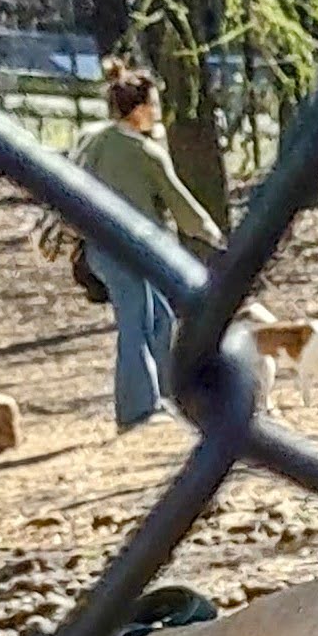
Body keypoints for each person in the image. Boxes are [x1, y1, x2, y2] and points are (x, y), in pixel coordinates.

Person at [73, 58, 226, 432]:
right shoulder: (143, 151)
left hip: (99, 248)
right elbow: (181, 204)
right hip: (133, 250)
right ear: (139, 110)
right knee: (136, 323)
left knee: (160, 320)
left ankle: (164, 397)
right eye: (154, 105)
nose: (158, 113)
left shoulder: (91, 139)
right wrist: (216, 237)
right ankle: (137, 411)